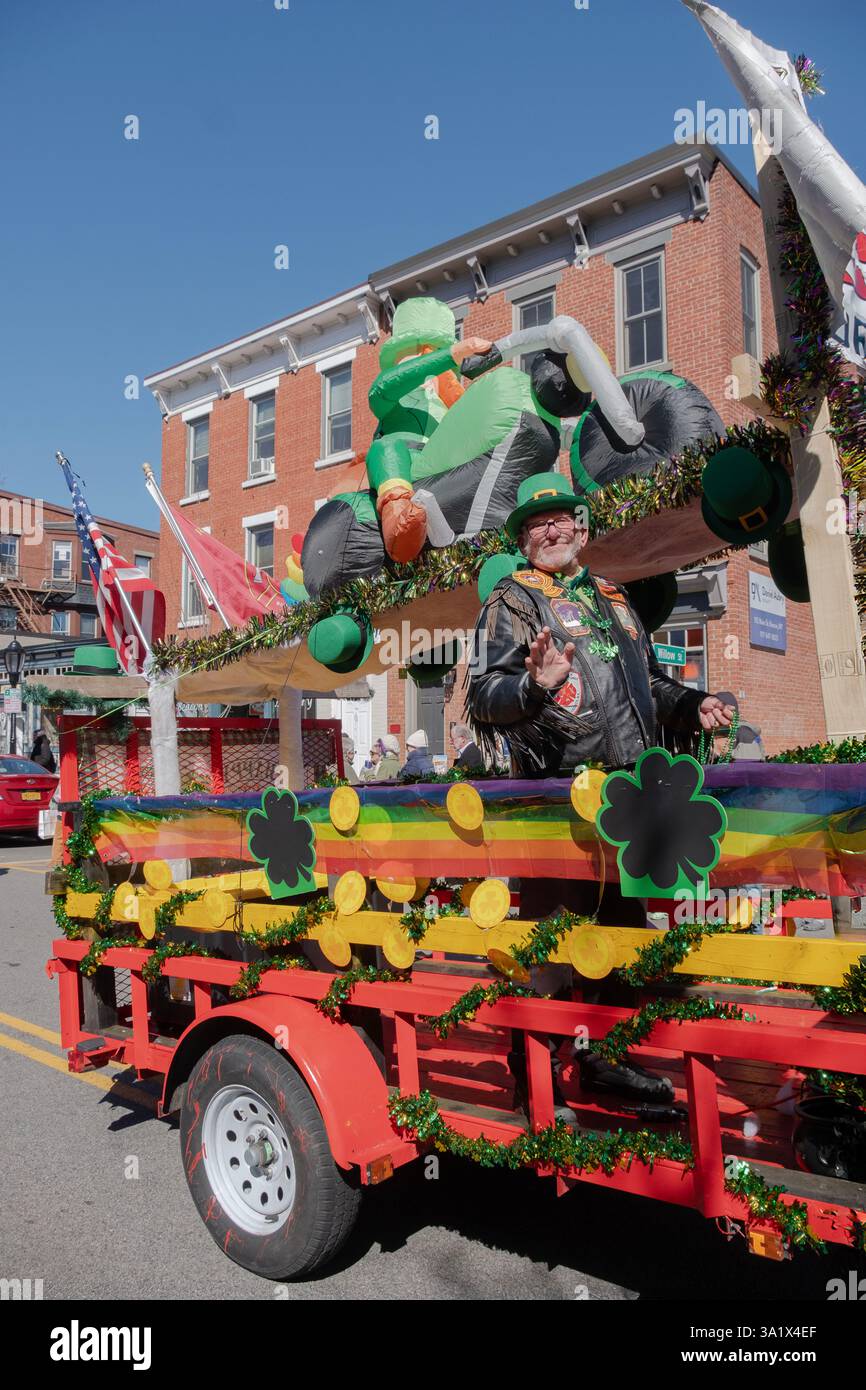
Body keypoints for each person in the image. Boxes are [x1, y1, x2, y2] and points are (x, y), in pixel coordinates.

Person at [465, 473, 735, 1121]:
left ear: (582, 529)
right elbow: (482, 695)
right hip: (559, 810)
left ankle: (607, 1061)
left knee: (617, 940)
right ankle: (535, 1077)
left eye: (561, 518)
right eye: (537, 523)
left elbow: (655, 687)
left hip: (627, 806)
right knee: (555, 945)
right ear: (524, 539)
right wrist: (531, 686)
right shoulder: (511, 601)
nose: (551, 530)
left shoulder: (613, 598)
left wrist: (696, 707)